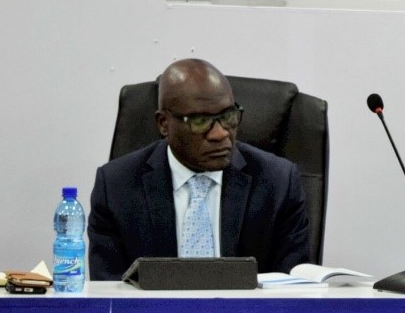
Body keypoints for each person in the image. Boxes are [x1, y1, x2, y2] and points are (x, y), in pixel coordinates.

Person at [88, 59, 311, 280]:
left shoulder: (278, 183)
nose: (220, 134)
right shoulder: (116, 187)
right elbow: (109, 296)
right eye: (201, 121)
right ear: (164, 124)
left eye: (228, 117)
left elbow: (291, 291)